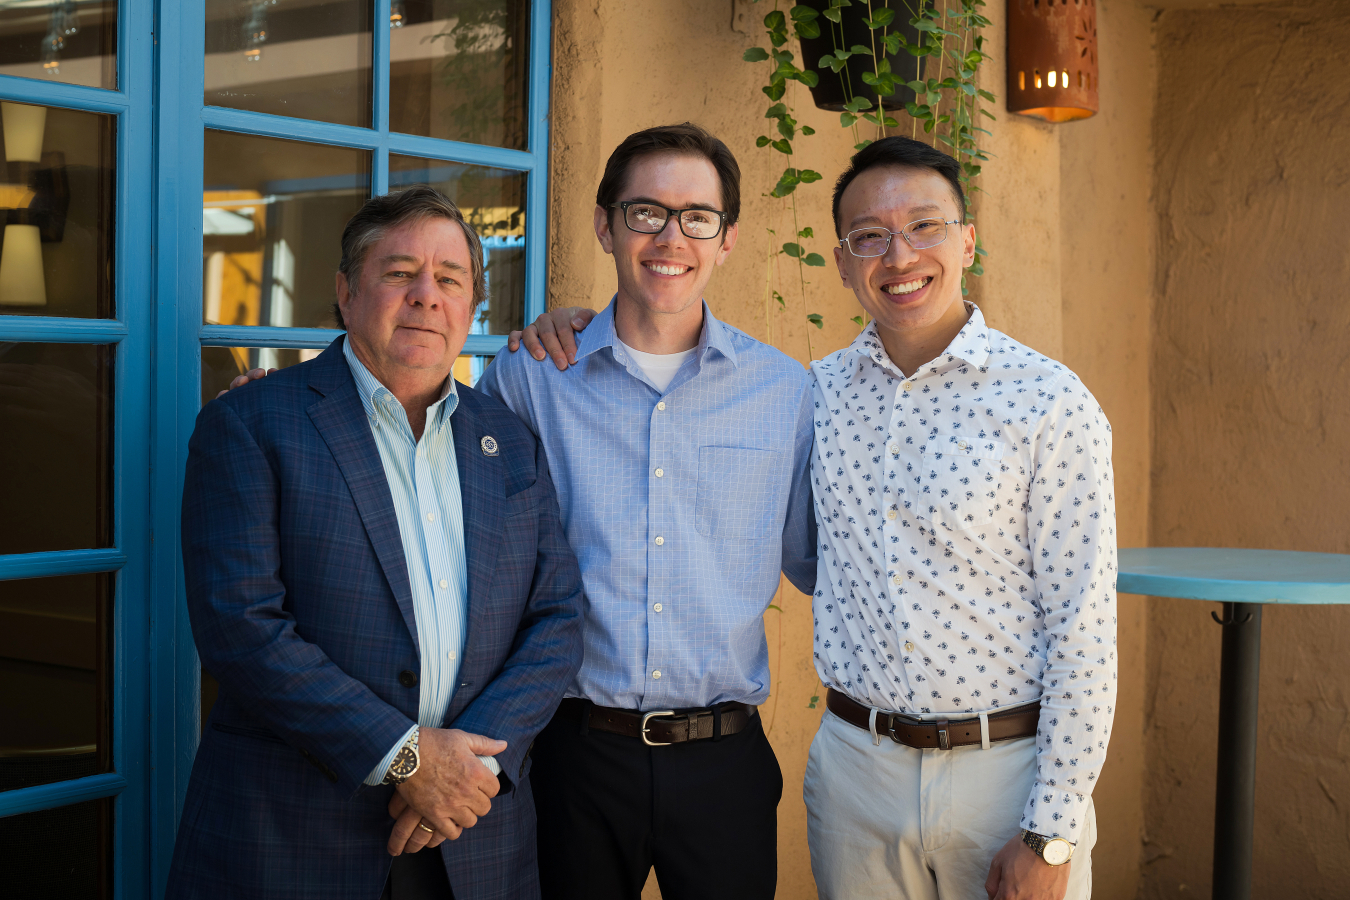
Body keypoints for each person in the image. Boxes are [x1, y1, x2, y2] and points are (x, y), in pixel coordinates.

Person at [516, 136, 1117, 900]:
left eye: (925, 226)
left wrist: (1053, 828)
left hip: (1003, 771)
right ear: (842, 261)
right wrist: (567, 327)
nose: (899, 255)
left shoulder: (1048, 402)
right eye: (870, 236)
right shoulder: (814, 393)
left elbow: (1086, 635)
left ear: (967, 239)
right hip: (854, 775)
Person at [167, 186, 585, 900]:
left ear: (471, 306)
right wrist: (406, 759)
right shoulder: (252, 424)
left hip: (472, 835)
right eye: (399, 273)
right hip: (295, 836)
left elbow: (558, 619)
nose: (427, 296)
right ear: (346, 291)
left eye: (450, 279)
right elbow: (241, 627)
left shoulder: (511, 442)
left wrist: (468, 768)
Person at [478, 123, 817, 900]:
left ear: (726, 238)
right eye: (646, 212)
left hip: (724, 762)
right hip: (573, 755)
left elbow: (822, 564)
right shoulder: (531, 379)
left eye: (698, 216)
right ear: (605, 224)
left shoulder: (784, 393)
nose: (672, 236)